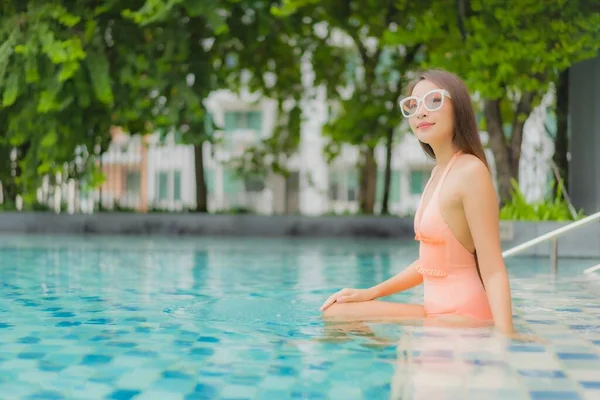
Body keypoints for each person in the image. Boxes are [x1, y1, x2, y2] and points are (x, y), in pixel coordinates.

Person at [320, 69, 515, 336]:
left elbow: (493, 268)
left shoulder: (471, 171)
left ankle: (392, 356)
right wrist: (370, 292)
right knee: (336, 312)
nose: (420, 112)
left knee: (343, 320)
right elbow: (430, 263)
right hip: (434, 311)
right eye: (412, 106)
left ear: (458, 108)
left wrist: (505, 338)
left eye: (433, 101)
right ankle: (389, 357)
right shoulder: (438, 172)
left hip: (463, 314)